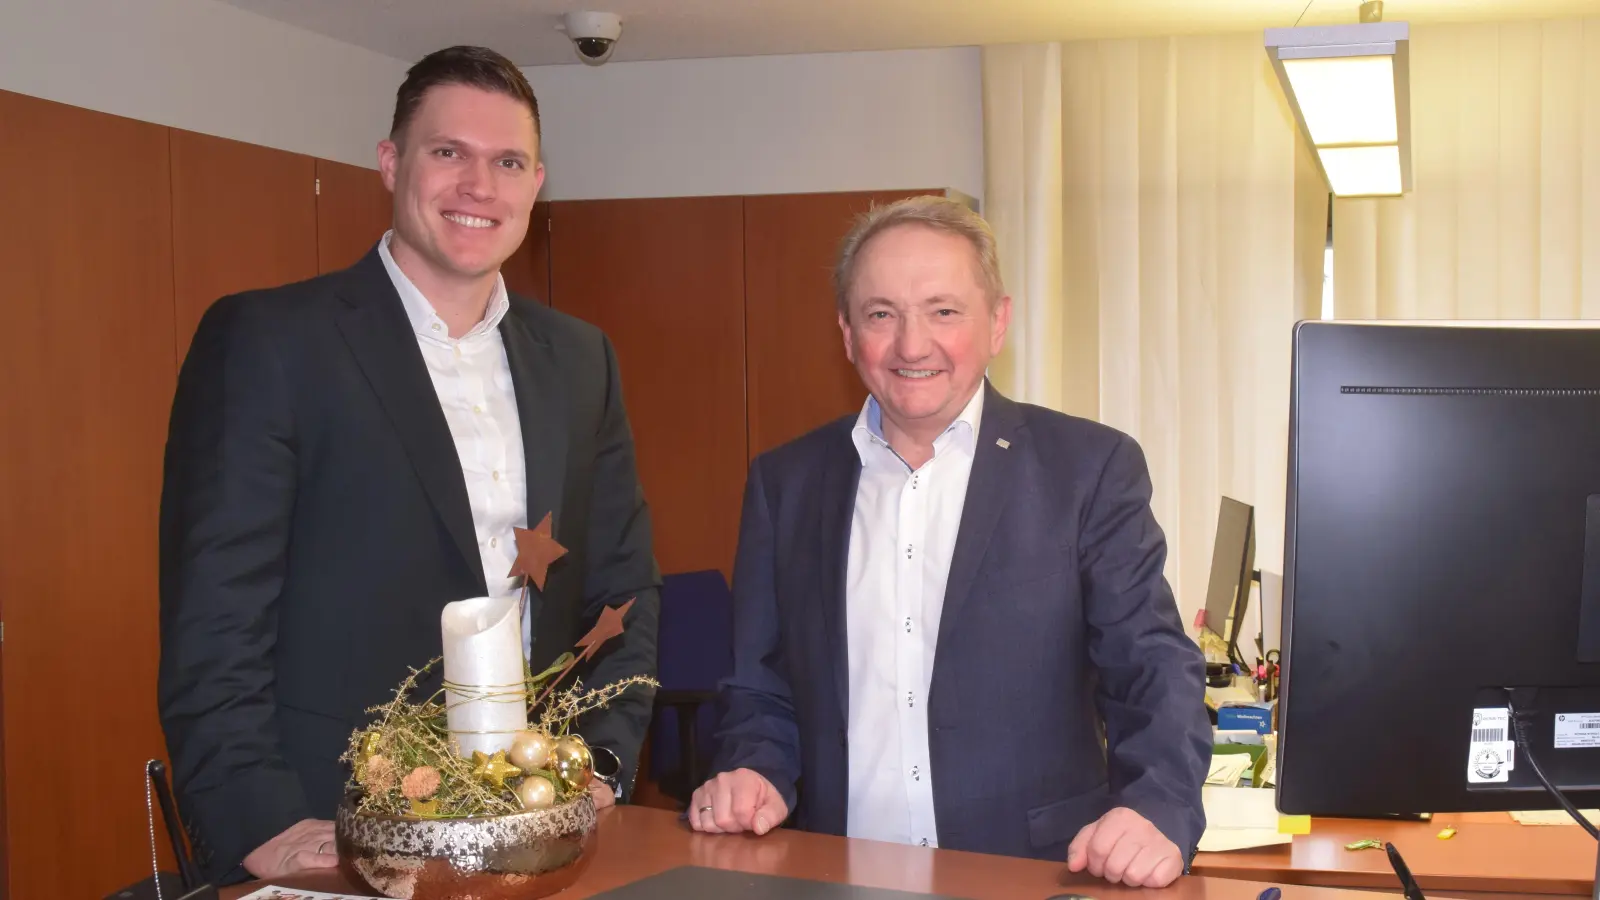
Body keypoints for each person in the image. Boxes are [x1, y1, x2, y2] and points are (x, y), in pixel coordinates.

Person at [157, 46, 659, 885]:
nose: (479, 185)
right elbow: (216, 618)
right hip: (330, 828)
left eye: (507, 162)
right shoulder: (272, 343)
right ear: (391, 163)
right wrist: (260, 817)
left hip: (539, 827)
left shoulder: (580, 359)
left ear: (537, 183)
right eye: (447, 152)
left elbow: (622, 583)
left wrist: (599, 764)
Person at [689, 196, 1209, 888]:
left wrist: (1158, 804)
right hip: (834, 878)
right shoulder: (784, 484)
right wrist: (756, 768)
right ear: (847, 333)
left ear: (998, 322)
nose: (911, 345)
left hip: (1030, 876)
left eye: (943, 311)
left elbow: (1149, 664)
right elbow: (761, 685)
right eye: (881, 314)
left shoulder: (1088, 470)